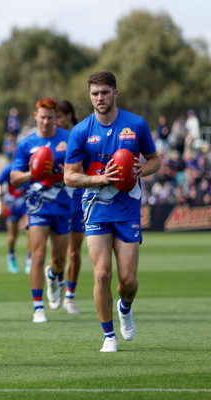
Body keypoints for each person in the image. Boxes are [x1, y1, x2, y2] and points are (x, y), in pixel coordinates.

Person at [64, 70, 160, 352]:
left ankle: (125, 307)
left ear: (115, 93)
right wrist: (98, 179)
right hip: (95, 211)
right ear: (89, 96)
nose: (99, 98)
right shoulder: (81, 131)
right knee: (102, 274)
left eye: (105, 92)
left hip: (128, 210)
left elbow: (155, 159)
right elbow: (69, 176)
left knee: (128, 281)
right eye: (94, 94)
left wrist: (145, 168)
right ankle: (108, 335)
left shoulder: (136, 124)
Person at [10, 97, 72, 324]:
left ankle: (54, 276)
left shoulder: (69, 139)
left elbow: (79, 170)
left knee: (59, 260)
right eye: (42, 117)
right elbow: (14, 178)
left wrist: (70, 174)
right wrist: (32, 174)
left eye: (50, 117)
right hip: (37, 205)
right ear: (35, 117)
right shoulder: (26, 144)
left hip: (64, 204)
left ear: (57, 117)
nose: (46, 122)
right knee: (37, 254)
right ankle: (38, 307)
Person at [55, 100, 83, 314]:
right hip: (58, 198)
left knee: (75, 252)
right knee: (59, 253)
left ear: (68, 116)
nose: (55, 121)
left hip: (80, 197)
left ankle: (70, 296)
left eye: (59, 116)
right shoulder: (49, 139)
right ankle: (55, 277)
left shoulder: (81, 133)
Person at [0, 162, 30, 274]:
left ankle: (30, 259)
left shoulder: (30, 166)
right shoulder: (9, 168)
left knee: (30, 231)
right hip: (12, 204)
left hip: (26, 204)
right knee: (13, 235)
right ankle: (11, 256)